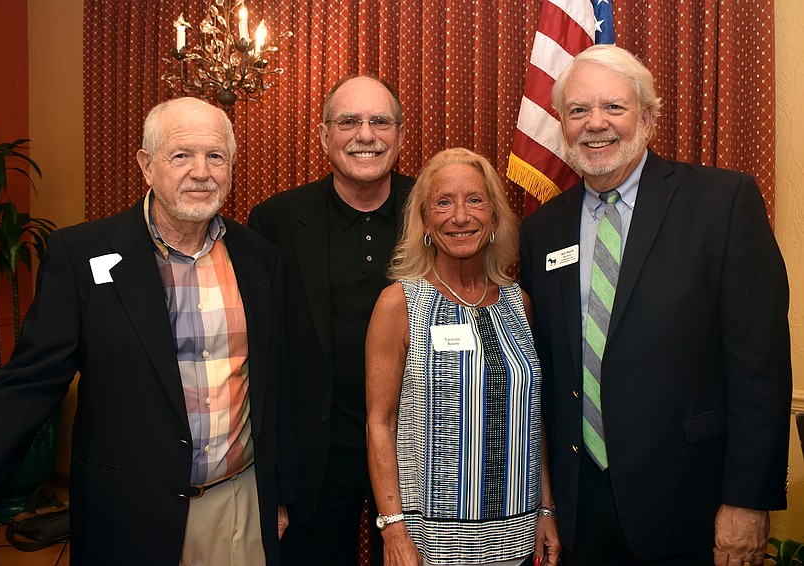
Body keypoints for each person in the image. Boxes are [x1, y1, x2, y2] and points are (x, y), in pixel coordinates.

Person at [0, 97, 296, 565]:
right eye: (181, 155)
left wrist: (279, 494)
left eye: (215, 156)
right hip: (129, 514)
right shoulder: (82, 255)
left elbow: (277, 386)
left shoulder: (259, 258)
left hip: (236, 505)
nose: (202, 171)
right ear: (146, 165)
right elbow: (32, 381)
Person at [519, 44, 792, 566]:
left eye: (613, 108)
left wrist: (747, 500)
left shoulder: (721, 202)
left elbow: (760, 366)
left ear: (646, 116)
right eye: (578, 110)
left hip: (692, 505)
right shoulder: (541, 230)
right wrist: (545, 504)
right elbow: (549, 376)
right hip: (582, 513)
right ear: (561, 123)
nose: (595, 124)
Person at [248, 75, 414, 565]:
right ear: (324, 137)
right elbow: (264, 356)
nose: (366, 135)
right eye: (349, 122)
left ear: (400, 137)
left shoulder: (436, 210)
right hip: (316, 456)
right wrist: (275, 478)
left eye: (380, 121)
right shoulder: (276, 220)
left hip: (416, 448)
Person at [366, 147, 560, 566]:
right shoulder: (400, 303)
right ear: (424, 222)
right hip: (428, 540)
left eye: (475, 200)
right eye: (443, 202)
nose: (460, 216)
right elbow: (380, 422)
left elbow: (534, 416)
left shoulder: (519, 303)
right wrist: (392, 526)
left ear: (493, 216)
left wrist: (547, 508)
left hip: (517, 534)